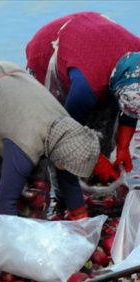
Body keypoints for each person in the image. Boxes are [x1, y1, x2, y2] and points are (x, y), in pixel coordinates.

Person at [0, 61, 101, 220]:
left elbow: (68, 178)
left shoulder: (67, 131)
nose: (66, 170)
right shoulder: (26, 144)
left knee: (21, 178)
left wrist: (81, 221)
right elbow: (6, 201)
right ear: (60, 161)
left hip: (11, 93)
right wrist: (16, 238)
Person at [26, 12, 140, 188]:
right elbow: (64, 136)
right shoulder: (85, 88)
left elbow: (132, 106)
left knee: (104, 127)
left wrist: (123, 146)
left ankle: (90, 182)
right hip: (51, 47)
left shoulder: (135, 63)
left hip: (96, 42)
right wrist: (96, 160)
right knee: (53, 141)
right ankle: (63, 196)